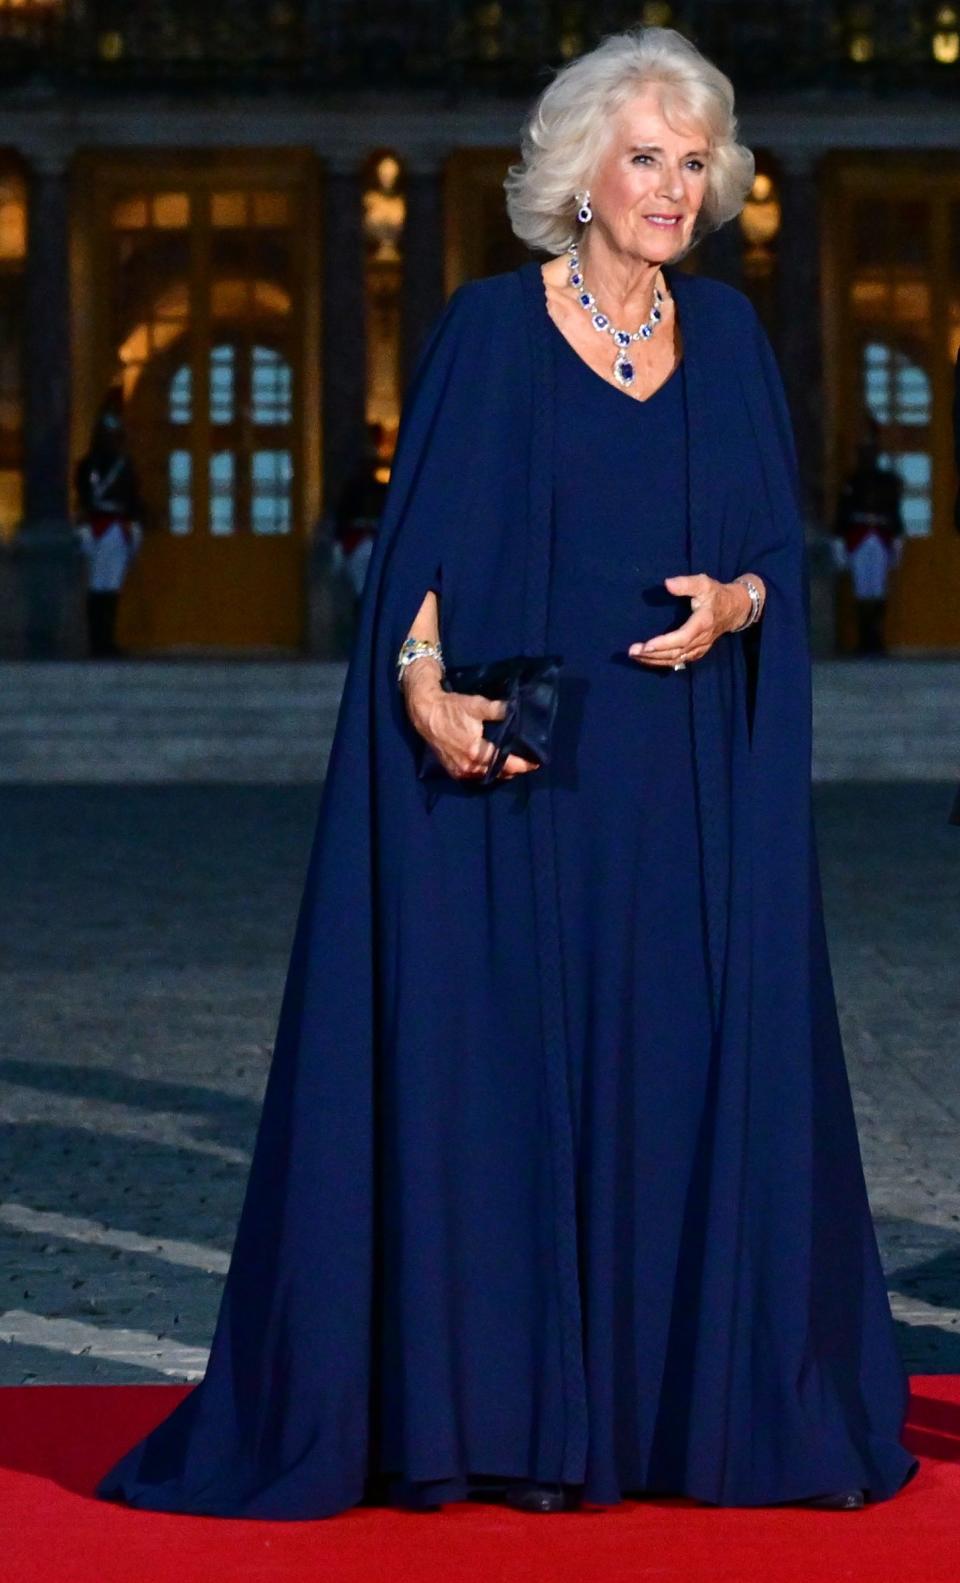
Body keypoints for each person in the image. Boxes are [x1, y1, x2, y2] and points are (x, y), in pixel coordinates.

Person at [95, 26, 917, 1521]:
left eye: (693, 162)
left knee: (672, 1077)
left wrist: (734, 607)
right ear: (579, 172)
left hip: (681, 794)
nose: (674, 187)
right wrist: (421, 692)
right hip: (523, 786)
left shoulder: (729, 338)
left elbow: (770, 562)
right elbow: (425, 566)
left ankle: (676, 1413)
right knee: (515, 1086)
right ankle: (513, 1411)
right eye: (645, 158)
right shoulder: (483, 329)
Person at [74, 392, 145, 658]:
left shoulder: (86, 465)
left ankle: (99, 642)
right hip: (112, 528)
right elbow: (132, 497)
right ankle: (103, 643)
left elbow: (83, 493)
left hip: (95, 527)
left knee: (98, 587)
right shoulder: (123, 466)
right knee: (107, 588)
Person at [832, 423, 904, 657]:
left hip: (880, 537)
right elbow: (843, 513)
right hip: (859, 537)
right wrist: (839, 541)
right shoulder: (851, 481)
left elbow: (894, 512)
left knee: (878, 588)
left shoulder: (887, 481)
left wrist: (897, 539)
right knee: (862, 588)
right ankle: (864, 639)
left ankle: (876, 638)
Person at [332, 421, 390, 610]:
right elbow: (342, 517)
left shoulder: (380, 490)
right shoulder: (353, 489)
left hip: (370, 540)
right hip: (356, 542)